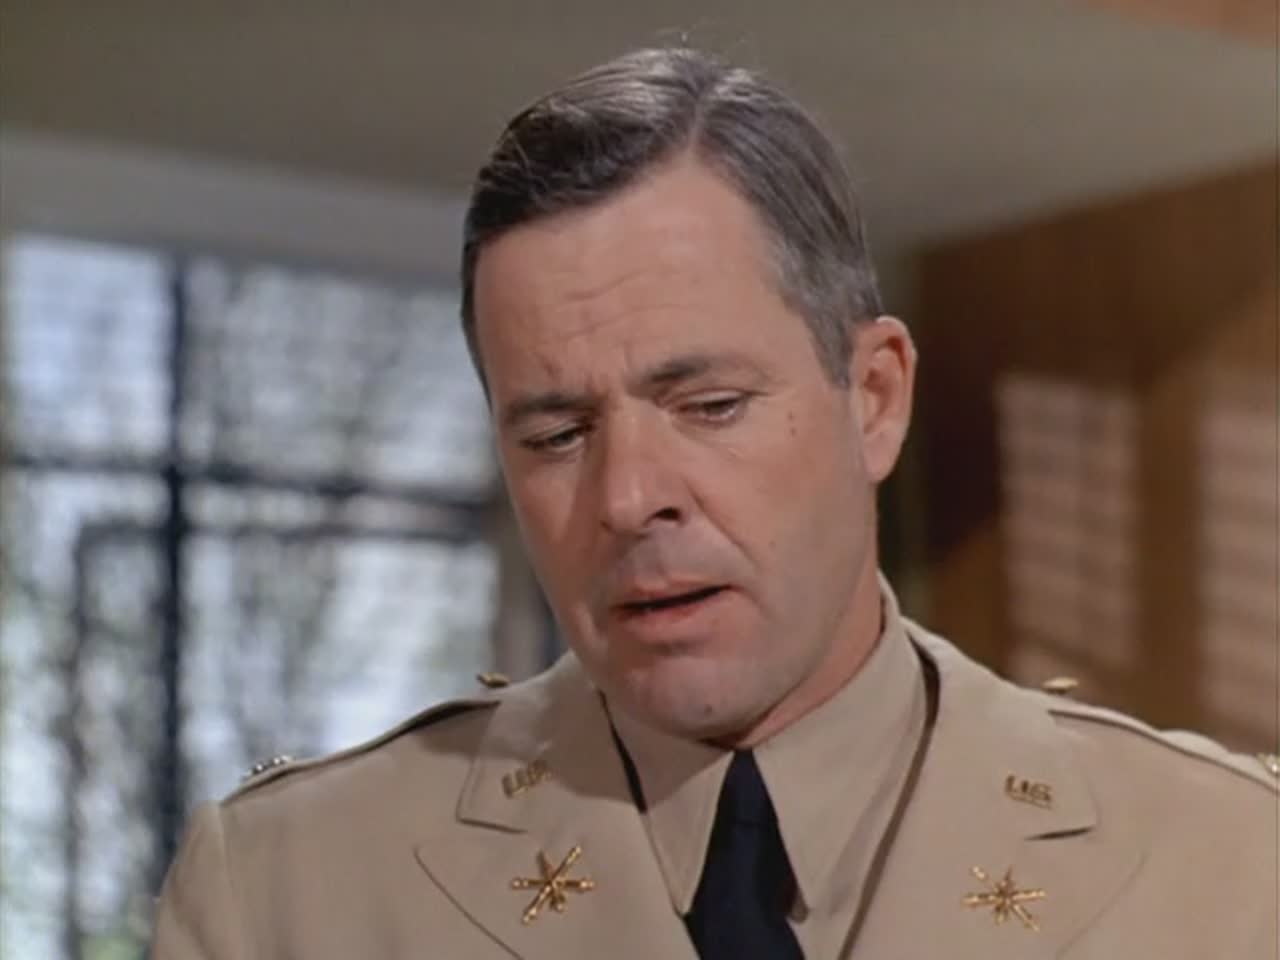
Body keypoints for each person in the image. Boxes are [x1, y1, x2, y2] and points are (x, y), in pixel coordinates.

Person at [151, 47, 1278, 959]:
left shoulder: (1233, 868)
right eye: (555, 435)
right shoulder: (284, 894)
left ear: (874, 400)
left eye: (709, 405)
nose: (628, 498)